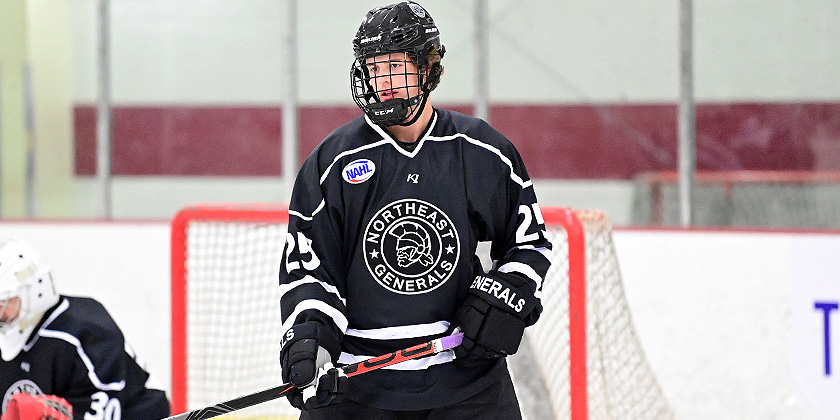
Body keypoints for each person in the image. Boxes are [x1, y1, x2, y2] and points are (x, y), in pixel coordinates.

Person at [277, 2, 552, 419]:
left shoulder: (481, 151)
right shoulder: (332, 163)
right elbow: (310, 270)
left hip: (467, 382)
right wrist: (309, 339)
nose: (382, 81)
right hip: (356, 387)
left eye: (395, 65)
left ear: (428, 68)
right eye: (373, 66)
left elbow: (529, 243)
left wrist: (505, 297)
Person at [0, 238, 171, 420]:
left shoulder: (88, 332)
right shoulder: (6, 336)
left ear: (36, 290)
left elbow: (108, 410)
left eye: (4, 303)